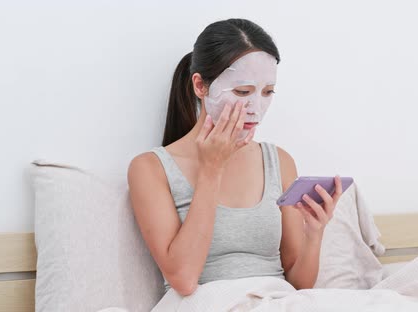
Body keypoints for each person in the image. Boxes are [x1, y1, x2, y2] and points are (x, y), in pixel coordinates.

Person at [127, 18, 343, 297]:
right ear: (200, 86)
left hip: (276, 301)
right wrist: (211, 170)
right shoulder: (150, 168)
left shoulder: (279, 161)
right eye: (242, 92)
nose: (255, 107)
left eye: (267, 92)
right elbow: (183, 279)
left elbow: (299, 284)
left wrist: (314, 235)